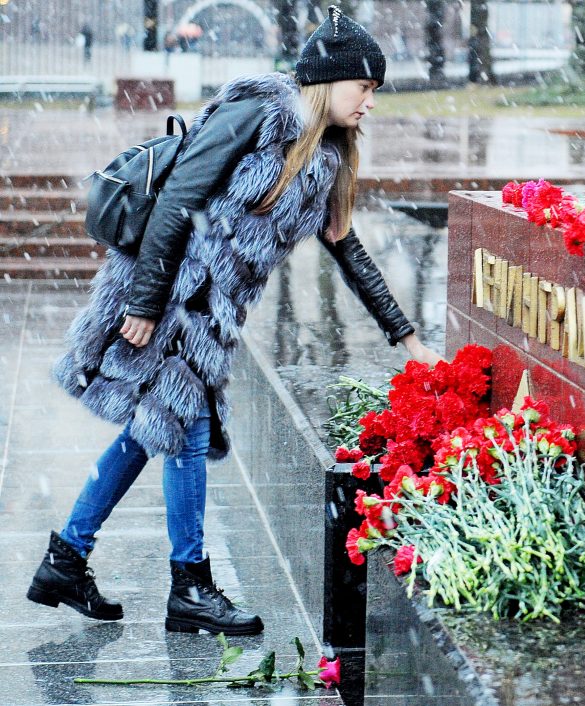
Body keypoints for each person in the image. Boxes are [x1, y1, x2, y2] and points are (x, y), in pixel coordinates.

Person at [28, 6, 443, 636]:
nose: (370, 104)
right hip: (171, 292)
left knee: (152, 431)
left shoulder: (325, 157)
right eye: (364, 88)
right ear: (330, 81)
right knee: (183, 430)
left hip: (207, 313)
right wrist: (143, 304)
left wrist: (407, 337)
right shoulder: (257, 111)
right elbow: (178, 198)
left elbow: (348, 248)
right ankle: (189, 586)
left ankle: (67, 558)